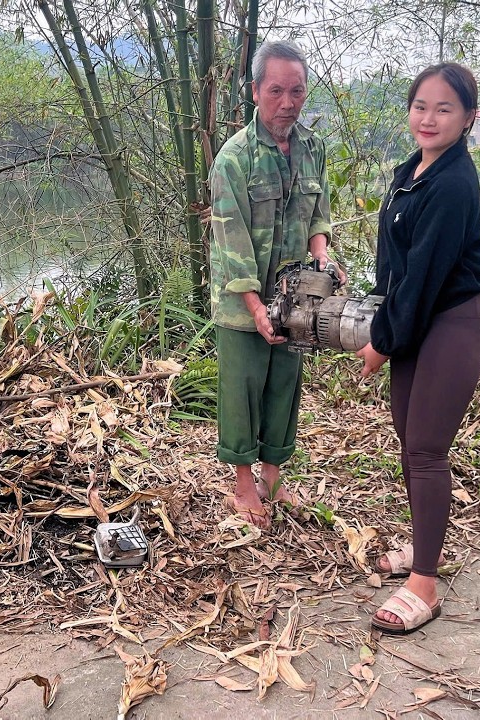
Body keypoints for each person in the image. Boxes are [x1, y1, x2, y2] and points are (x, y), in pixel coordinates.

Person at [355, 62, 480, 634]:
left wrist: (382, 341)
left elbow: (424, 276)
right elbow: (394, 266)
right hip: (417, 318)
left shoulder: (455, 184)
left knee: (426, 448)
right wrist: (379, 312)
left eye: (444, 108)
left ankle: (426, 585)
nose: (428, 118)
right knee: (408, 437)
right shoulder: (410, 171)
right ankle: (424, 544)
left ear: (467, 118)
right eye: (420, 106)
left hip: (456, 318)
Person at [207, 39, 346, 530]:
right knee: (243, 388)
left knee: (284, 386)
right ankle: (244, 488)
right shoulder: (233, 159)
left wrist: (323, 259)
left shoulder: (313, 148)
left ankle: (274, 478)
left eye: (296, 92)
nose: (287, 103)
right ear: (254, 92)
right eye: (275, 91)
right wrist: (254, 305)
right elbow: (231, 239)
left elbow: (318, 217)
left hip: (298, 299)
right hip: (240, 300)